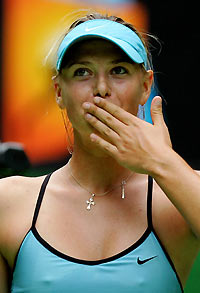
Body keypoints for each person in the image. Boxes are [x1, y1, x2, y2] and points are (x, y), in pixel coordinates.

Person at [0, 12, 200, 293]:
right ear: (59, 91)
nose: (101, 89)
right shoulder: (8, 202)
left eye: (119, 70)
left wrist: (163, 161)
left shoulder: (179, 194)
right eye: (82, 71)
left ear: (145, 86)